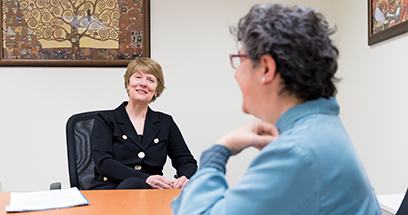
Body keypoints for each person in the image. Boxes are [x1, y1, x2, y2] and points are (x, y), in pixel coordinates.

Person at [172, 3, 381, 214]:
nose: (236, 73)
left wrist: (219, 150)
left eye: (240, 60)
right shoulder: (320, 128)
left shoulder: (297, 151)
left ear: (266, 68)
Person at [89, 58, 197, 190]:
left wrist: (185, 177)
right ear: (128, 84)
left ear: (156, 90)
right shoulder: (105, 119)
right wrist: (145, 178)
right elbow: (104, 163)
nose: (143, 83)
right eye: (138, 77)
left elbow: (186, 161)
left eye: (150, 80)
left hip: (150, 193)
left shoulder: (165, 122)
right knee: (132, 184)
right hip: (108, 191)